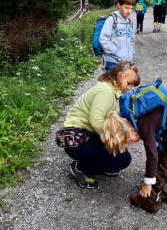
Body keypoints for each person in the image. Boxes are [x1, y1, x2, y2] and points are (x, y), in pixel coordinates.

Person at [102, 102, 167, 213]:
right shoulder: (135, 115)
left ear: (128, 129)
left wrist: (147, 183)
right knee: (166, 162)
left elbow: (152, 156)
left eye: (128, 140)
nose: (131, 143)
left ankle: (150, 202)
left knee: (166, 168)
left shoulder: (143, 124)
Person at [56, 61, 140, 189]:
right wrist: (122, 136)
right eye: (129, 83)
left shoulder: (114, 92)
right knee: (119, 158)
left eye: (132, 85)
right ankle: (80, 169)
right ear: (120, 76)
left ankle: (99, 164)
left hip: (88, 134)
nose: (130, 88)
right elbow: (95, 121)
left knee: (122, 158)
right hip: (75, 136)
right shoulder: (106, 91)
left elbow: (113, 121)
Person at [99, 0, 136, 71]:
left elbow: (131, 39)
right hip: (113, 63)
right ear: (119, 5)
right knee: (113, 83)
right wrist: (116, 52)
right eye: (126, 7)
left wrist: (131, 53)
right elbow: (103, 39)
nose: (129, 11)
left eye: (131, 8)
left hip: (126, 63)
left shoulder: (129, 21)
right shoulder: (112, 19)